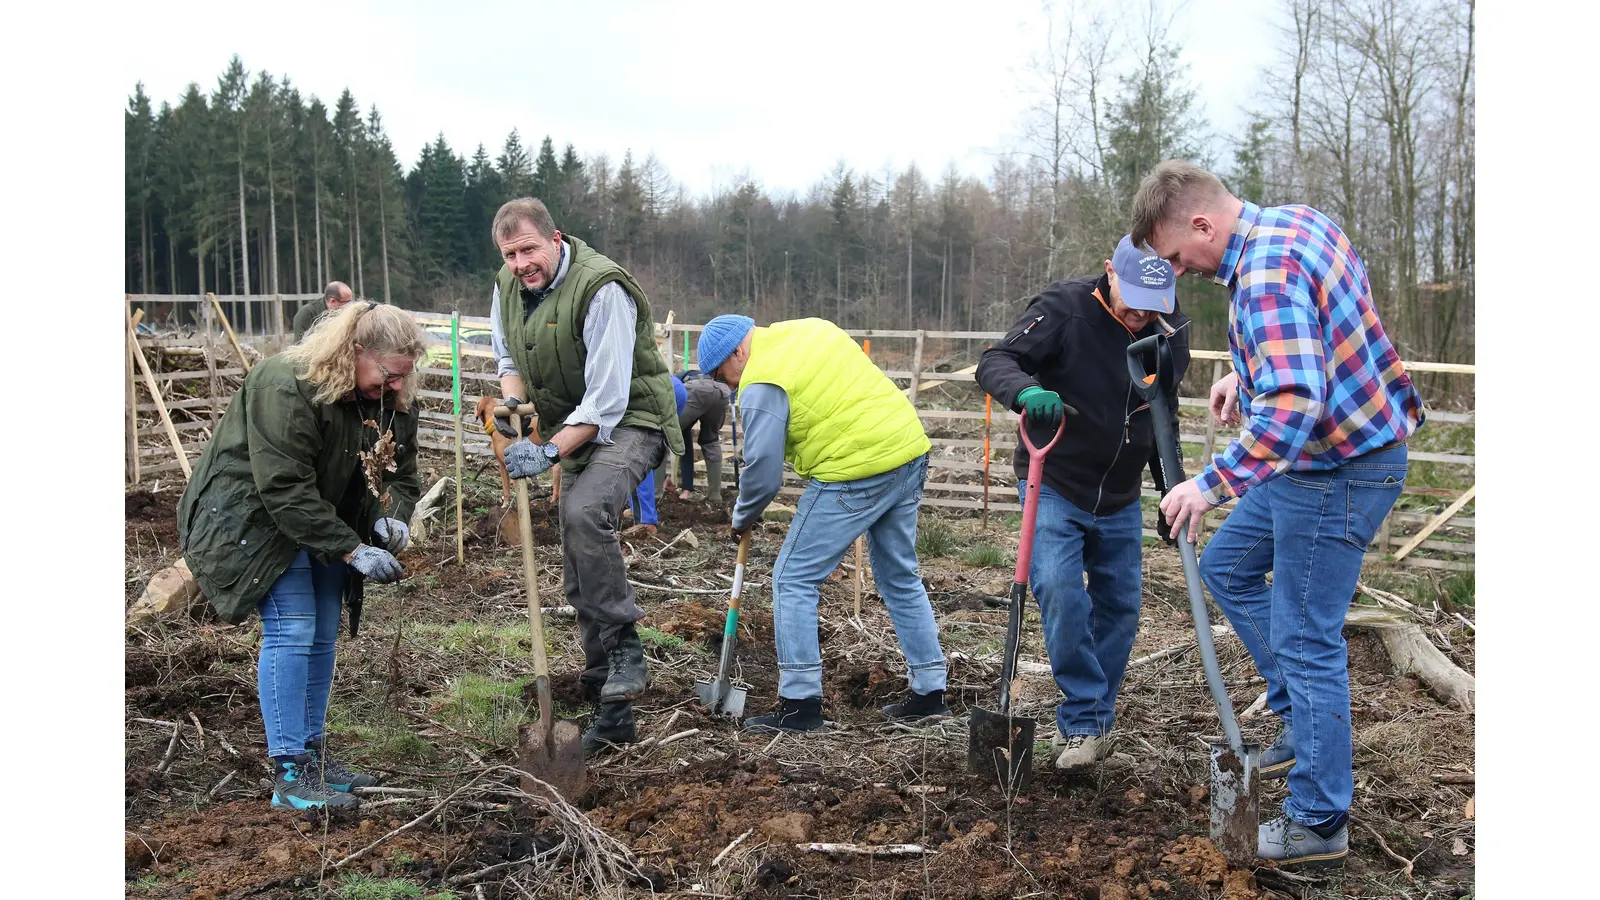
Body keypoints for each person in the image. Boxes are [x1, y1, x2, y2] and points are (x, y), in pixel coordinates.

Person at [1131, 160, 1426, 868]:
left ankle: (1319, 821)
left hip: (1335, 470)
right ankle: (1303, 720)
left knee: (1305, 638)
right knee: (1226, 567)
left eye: (1176, 255)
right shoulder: (1300, 223)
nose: (1181, 271)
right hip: (1324, 459)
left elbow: (1296, 404)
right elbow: (1326, 322)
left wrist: (1209, 484)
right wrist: (1248, 370)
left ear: (1203, 225)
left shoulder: (1260, 278)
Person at [178, 301, 423, 811]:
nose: (398, 386)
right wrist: (353, 548)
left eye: (405, 375)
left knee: (322, 629)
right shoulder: (285, 384)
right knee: (292, 626)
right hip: (256, 519)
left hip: (326, 519)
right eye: (388, 374)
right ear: (354, 352)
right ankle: (288, 773)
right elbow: (284, 487)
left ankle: (312, 754)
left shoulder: (389, 398)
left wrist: (391, 513)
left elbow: (400, 470)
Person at [974, 235, 1190, 774]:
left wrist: (1171, 492)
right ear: (1109, 272)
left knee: (1120, 606)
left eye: (1154, 303)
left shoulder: (1169, 332)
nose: (1142, 312)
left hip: (1119, 492)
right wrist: (1025, 393)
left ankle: (1090, 722)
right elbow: (996, 361)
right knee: (1060, 588)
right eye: (1133, 296)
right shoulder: (1064, 310)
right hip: (1056, 480)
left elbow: (1164, 415)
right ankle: (1087, 717)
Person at [485, 197, 686, 755]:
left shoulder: (603, 290)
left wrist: (547, 451)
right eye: (509, 254)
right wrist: (513, 411)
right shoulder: (506, 287)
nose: (521, 263)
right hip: (573, 429)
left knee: (583, 512)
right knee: (578, 567)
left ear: (555, 238)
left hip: (632, 422)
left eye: (528, 249)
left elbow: (606, 399)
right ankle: (610, 705)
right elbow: (510, 363)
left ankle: (626, 648)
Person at [697, 315, 948, 732]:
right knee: (899, 576)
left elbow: (762, 472)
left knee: (792, 578)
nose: (732, 387)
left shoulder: (761, 382)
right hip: (906, 449)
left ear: (738, 352)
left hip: (857, 469)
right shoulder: (811, 328)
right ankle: (930, 692)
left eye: (727, 376)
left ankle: (799, 706)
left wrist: (743, 516)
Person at [624, 374, 688, 540]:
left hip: (658, 393)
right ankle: (637, 509)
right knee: (644, 452)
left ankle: (646, 522)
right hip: (670, 387)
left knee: (636, 458)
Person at [674, 369, 732, 501]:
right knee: (710, 440)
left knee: (664, 436)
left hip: (694, 390)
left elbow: (682, 445)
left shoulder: (675, 381)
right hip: (720, 391)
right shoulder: (703, 374)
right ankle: (715, 496)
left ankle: (655, 494)